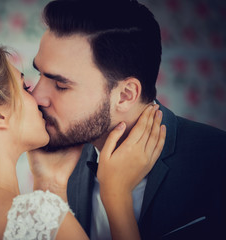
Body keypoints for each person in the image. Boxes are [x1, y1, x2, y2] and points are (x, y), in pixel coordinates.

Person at [0, 42, 166, 240]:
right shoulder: (37, 217)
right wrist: (116, 192)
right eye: (25, 87)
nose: (39, 97)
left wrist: (50, 182)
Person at [29, 0, 226, 239]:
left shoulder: (217, 159)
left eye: (61, 85)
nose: (36, 96)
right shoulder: (57, 167)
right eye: (39, 74)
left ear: (125, 95)